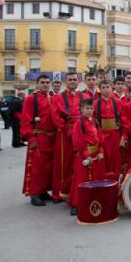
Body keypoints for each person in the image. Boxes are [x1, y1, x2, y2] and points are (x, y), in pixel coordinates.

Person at [21, 74, 57, 206]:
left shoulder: (52, 98)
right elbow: (25, 119)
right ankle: (34, 193)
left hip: (52, 137)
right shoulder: (31, 99)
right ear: (37, 84)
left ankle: (43, 191)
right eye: (43, 82)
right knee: (37, 167)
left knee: (49, 167)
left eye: (47, 82)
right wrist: (30, 137)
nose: (46, 84)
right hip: (39, 136)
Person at [68, 99, 106, 216]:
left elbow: (100, 137)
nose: (89, 111)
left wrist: (100, 151)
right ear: (82, 109)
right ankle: (76, 204)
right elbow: (77, 141)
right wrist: (86, 155)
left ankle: (93, 201)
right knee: (81, 180)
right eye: (87, 109)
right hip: (85, 156)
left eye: (91, 109)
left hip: (96, 155)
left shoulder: (95, 121)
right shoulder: (79, 123)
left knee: (96, 178)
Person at [50, 72, 83, 202]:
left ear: (78, 81)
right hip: (65, 134)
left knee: (78, 162)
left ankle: (75, 190)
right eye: (70, 79)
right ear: (65, 81)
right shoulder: (58, 97)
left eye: (75, 79)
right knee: (63, 162)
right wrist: (67, 129)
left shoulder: (83, 96)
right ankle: (59, 192)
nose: (72, 82)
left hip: (81, 132)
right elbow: (55, 116)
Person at [95, 81, 123, 175]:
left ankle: (115, 177)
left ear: (112, 88)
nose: (106, 89)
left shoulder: (118, 102)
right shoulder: (96, 103)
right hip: (101, 132)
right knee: (103, 154)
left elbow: (122, 117)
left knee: (115, 156)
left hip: (114, 132)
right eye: (103, 87)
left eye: (107, 87)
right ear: (99, 89)